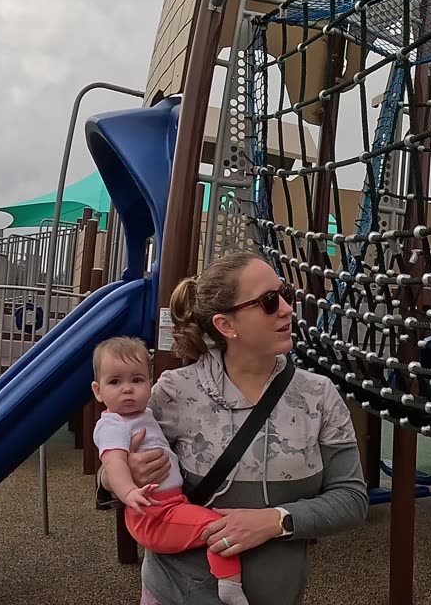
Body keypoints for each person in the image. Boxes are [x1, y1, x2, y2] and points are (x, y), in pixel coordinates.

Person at [101, 251, 369, 605]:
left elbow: (351, 499)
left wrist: (277, 520)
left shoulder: (318, 396)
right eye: (270, 301)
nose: (288, 308)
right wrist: (120, 474)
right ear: (227, 326)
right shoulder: (173, 391)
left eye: (285, 293)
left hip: (276, 593)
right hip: (177, 591)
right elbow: (111, 470)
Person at [92, 336, 249, 605]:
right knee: (219, 528)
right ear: (98, 391)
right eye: (115, 382)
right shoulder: (113, 425)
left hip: (170, 503)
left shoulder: (144, 415)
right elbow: (114, 463)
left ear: (149, 385)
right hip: (153, 510)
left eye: (137, 380)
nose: (127, 389)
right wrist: (129, 493)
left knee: (213, 525)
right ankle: (229, 583)